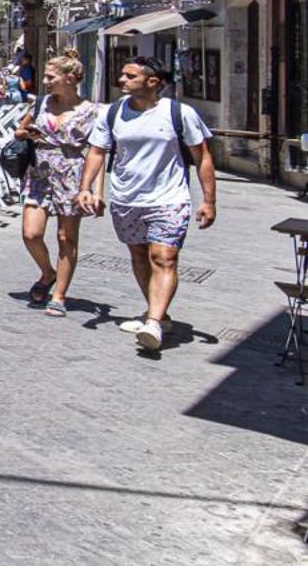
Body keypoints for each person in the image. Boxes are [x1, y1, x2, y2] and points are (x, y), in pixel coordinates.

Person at [79, 57, 217, 352]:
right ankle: (160, 313)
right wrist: (86, 188)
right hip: (127, 198)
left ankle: (153, 322)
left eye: (130, 76)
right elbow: (97, 151)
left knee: (163, 257)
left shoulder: (180, 113)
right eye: (122, 75)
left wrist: (208, 200)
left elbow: (202, 156)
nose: (122, 80)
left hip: (169, 198)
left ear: (152, 82)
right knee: (140, 256)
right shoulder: (113, 113)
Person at [14, 51, 97, 316]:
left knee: (66, 237)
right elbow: (18, 130)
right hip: (39, 171)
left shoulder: (91, 111)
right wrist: (29, 133)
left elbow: (99, 151)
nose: (46, 81)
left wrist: (94, 190)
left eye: (51, 77)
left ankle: (59, 295)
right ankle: (47, 272)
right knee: (31, 233)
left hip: (71, 173)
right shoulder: (41, 103)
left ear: (70, 78)